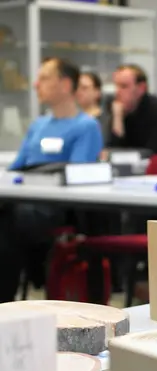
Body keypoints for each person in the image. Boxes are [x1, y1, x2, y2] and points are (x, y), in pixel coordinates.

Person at [0, 57, 103, 302]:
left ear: (66, 85)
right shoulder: (38, 126)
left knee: (7, 223)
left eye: (45, 78)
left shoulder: (86, 127)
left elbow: (75, 175)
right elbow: (16, 168)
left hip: (55, 208)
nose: (36, 84)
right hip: (23, 202)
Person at [109, 64, 157, 153]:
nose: (117, 92)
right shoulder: (119, 110)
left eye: (123, 86)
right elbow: (112, 153)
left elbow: (150, 154)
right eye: (116, 86)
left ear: (141, 88)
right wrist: (117, 118)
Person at [76, 71, 110, 143]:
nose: (79, 91)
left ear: (97, 92)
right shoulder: (70, 118)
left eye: (84, 88)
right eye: (77, 87)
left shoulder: (108, 120)